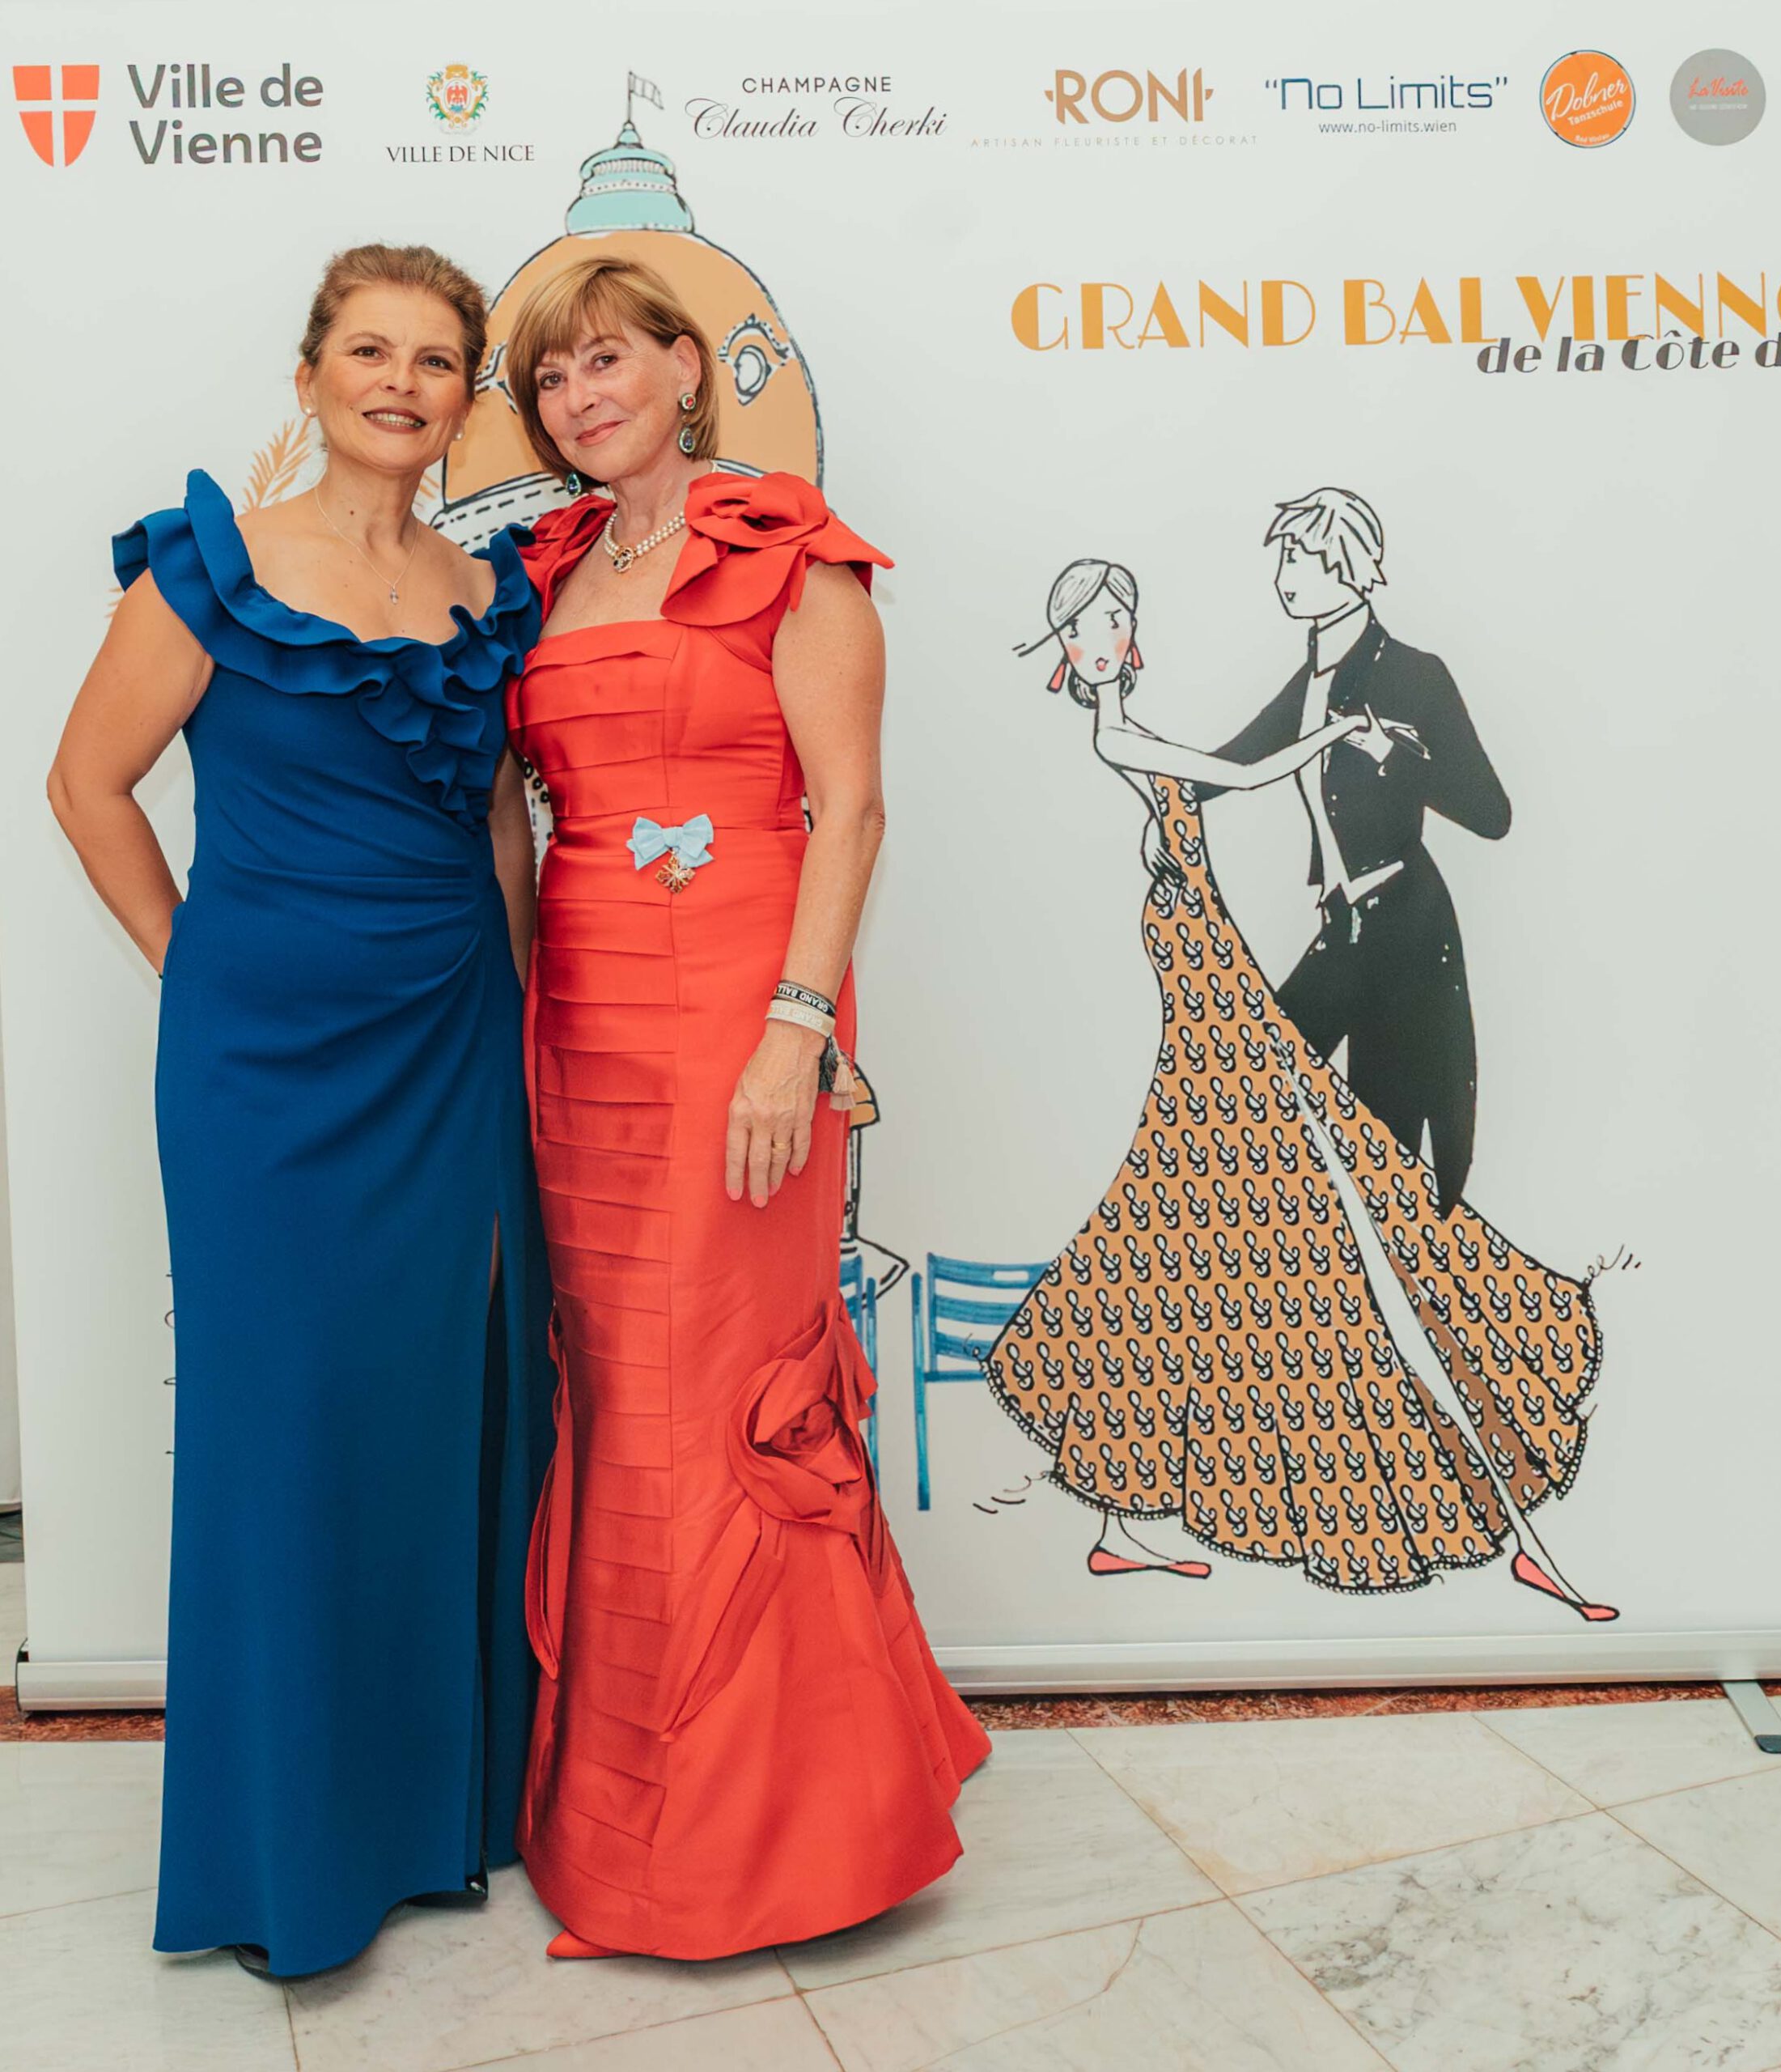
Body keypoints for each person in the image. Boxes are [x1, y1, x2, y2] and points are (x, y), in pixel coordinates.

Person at [46, 245, 556, 1979]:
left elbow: (498, 824)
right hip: (261, 1063)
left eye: (435, 359)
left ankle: (429, 1811)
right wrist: (193, 959)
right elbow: (86, 783)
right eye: (368, 350)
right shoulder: (213, 569)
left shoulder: (487, 593)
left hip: (449, 1042)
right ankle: (286, 1856)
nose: (399, 382)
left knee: (431, 1412)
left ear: (467, 396)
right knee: (281, 1427)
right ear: (310, 375)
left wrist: (516, 1010)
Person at [501, 254, 988, 1960]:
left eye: (606, 360)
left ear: (686, 369)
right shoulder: (544, 571)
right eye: (551, 376)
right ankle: (617, 1822)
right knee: (615, 1396)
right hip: (582, 1037)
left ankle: (771, 1837)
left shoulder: (792, 554)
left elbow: (849, 811)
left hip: (738, 1025)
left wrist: (795, 1032)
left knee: (718, 1398)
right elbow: (517, 814)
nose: (580, 396)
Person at [987, 558, 1615, 1620]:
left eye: (1117, 618)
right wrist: (1331, 737)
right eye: (1086, 625)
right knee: (1290, 1194)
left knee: (1195, 1209)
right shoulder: (1116, 734)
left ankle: (1115, 1523)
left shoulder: (1143, 730)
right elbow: (1233, 777)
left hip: (1217, 975)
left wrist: (1330, 760)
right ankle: (1497, 1504)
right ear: (1064, 646)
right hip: (1204, 985)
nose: (1106, 637)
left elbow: (1227, 777)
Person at [1202, 488, 1509, 1211]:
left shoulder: (1416, 673)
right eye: (1284, 556)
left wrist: (1392, 755)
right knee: (1260, 1084)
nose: (1286, 575)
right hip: (1344, 927)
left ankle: (1404, 1276)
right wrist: (1161, 792)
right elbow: (1237, 763)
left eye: (1303, 557)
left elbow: (1492, 814)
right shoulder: (1311, 682)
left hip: (1405, 928)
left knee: (1388, 1147)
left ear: (1349, 567)